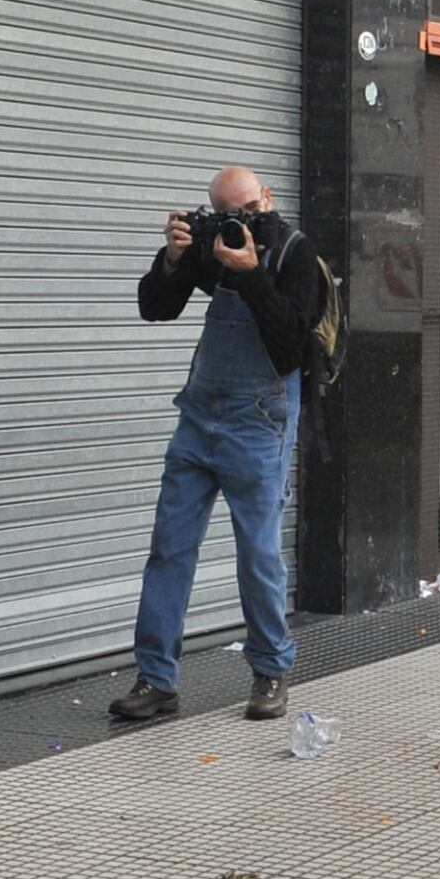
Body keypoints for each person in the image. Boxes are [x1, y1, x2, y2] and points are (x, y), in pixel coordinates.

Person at [109, 165, 327, 726]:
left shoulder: (295, 255)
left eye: (251, 211)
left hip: (260, 422)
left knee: (257, 554)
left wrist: (252, 274)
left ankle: (271, 670)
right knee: (169, 549)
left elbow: (289, 345)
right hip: (198, 417)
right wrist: (175, 260)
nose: (243, 224)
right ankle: (156, 679)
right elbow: (155, 307)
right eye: (231, 215)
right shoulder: (211, 248)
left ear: (268, 199)